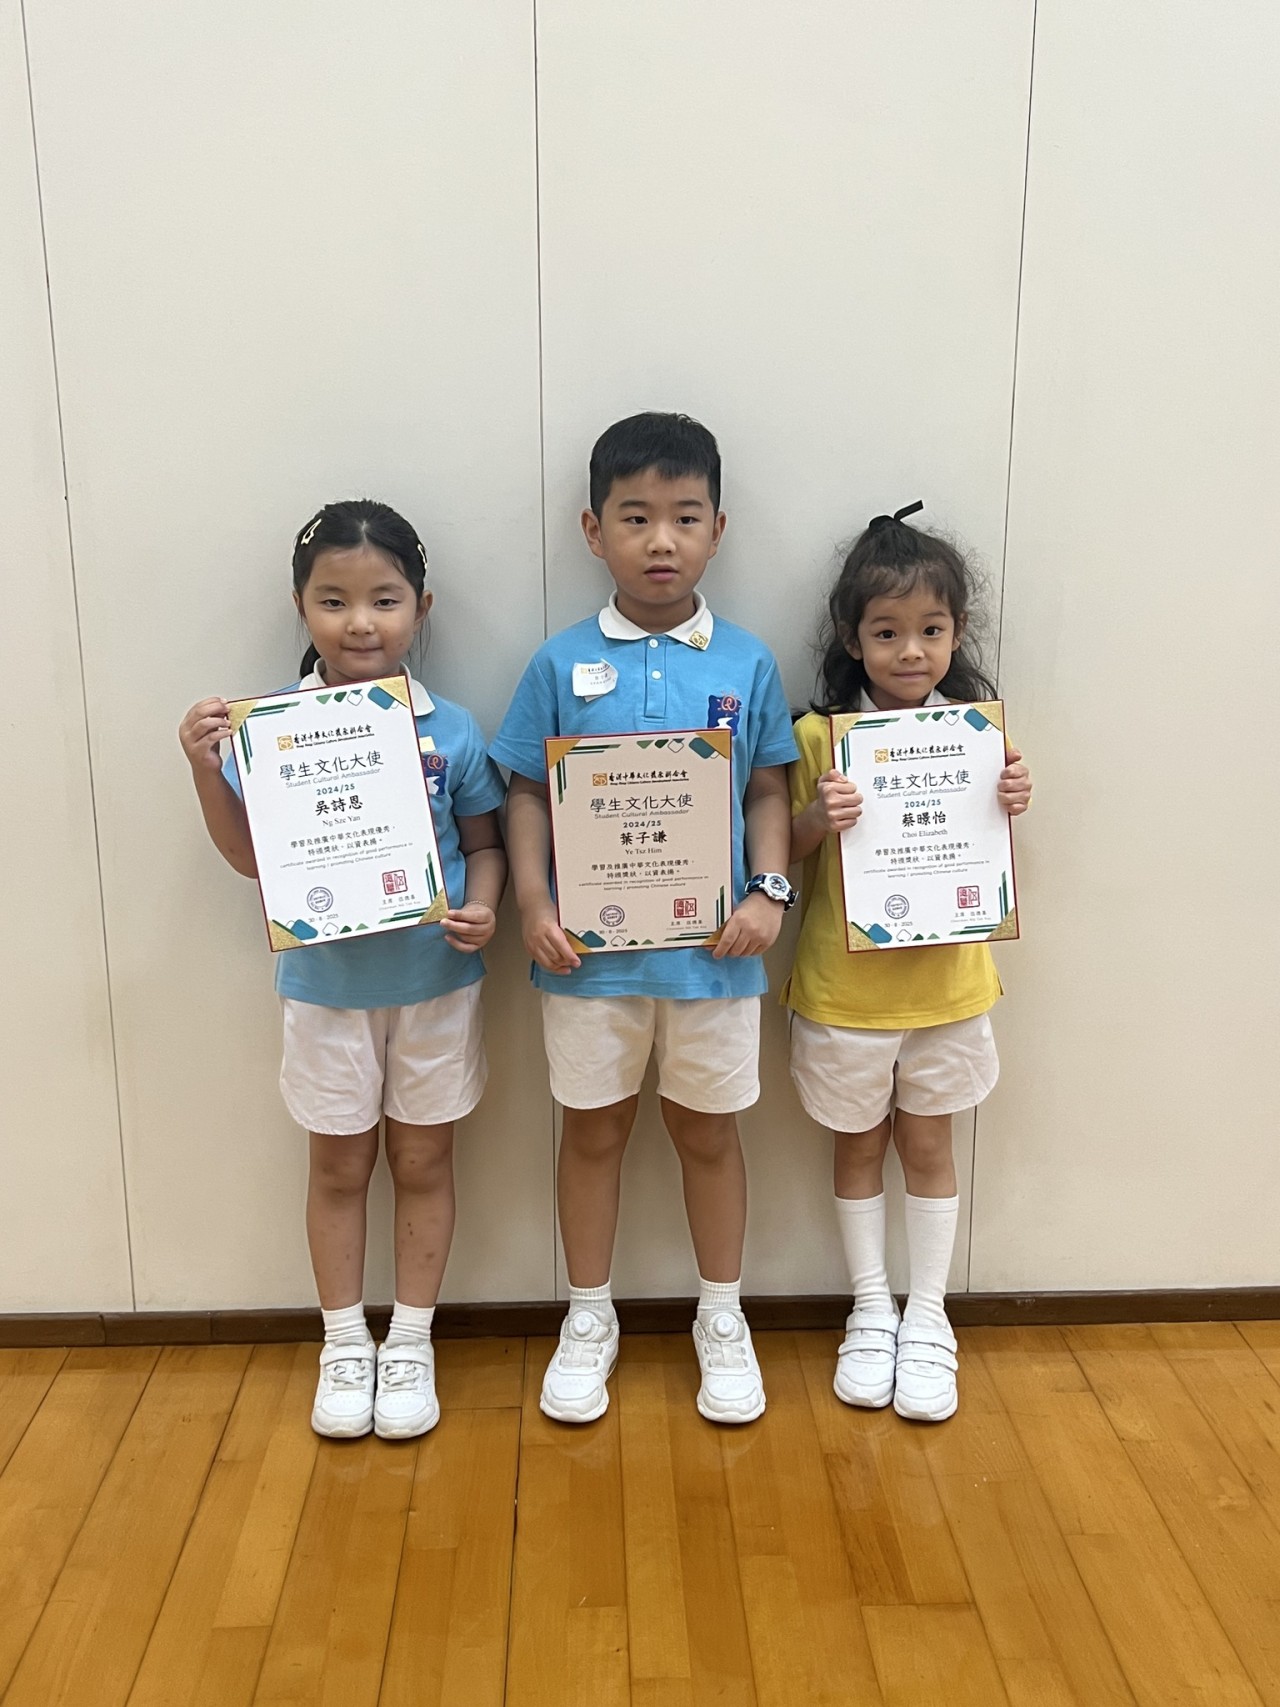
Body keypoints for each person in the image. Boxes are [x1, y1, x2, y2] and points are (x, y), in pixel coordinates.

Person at [492, 412, 798, 1425]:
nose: (660, 540)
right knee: (592, 1133)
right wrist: (532, 901)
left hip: (715, 957)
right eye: (634, 517)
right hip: (587, 962)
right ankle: (589, 1315)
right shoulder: (557, 663)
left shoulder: (745, 662)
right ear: (593, 531)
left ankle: (722, 1313)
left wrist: (767, 892)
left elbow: (767, 788)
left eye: (684, 516)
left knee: (708, 1135)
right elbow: (525, 792)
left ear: (718, 529)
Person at [178, 500, 506, 1440]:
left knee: (424, 1159)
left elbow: (485, 842)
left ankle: (411, 1338)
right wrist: (203, 767)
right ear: (301, 606)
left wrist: (484, 906)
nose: (361, 622)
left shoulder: (452, 728)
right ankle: (343, 1340)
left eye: (384, 600)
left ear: (421, 607)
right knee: (338, 1164)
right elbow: (251, 861)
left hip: (436, 984)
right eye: (334, 600)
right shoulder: (270, 732)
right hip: (324, 992)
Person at [786, 503, 1032, 1422]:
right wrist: (818, 818)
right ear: (853, 639)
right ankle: (869, 1308)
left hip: (947, 990)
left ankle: (927, 1313)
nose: (910, 650)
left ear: (957, 633)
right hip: (845, 994)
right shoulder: (817, 739)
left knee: (929, 1145)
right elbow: (783, 856)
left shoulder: (976, 737)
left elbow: (990, 859)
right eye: (887, 631)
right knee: (856, 1145)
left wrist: (1009, 794)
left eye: (931, 629)